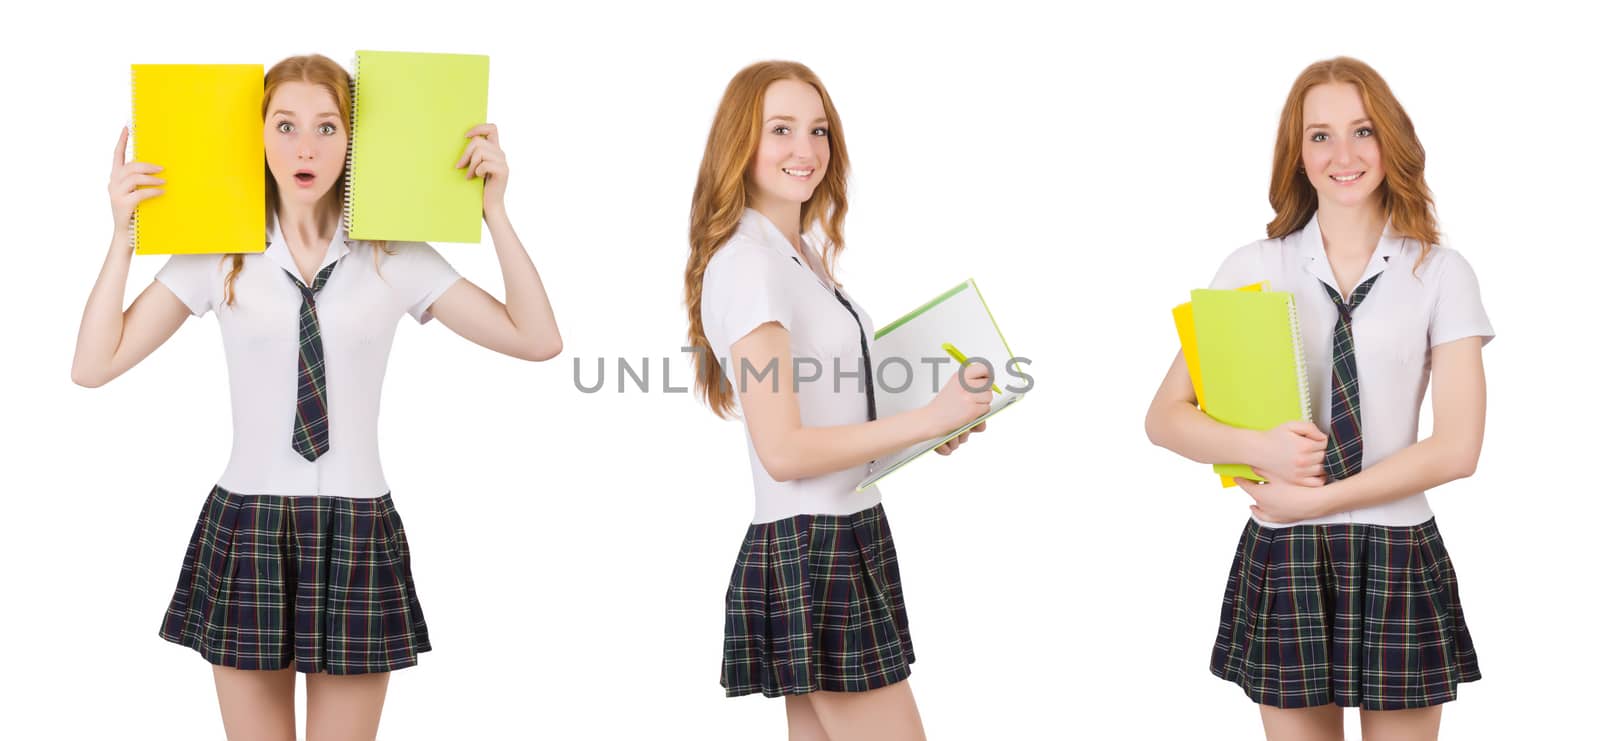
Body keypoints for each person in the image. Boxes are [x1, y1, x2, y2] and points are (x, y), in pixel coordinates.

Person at [73, 54, 561, 740]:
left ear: (355, 139)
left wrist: (495, 214)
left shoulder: (394, 255)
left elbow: (536, 337)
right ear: (259, 134)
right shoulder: (219, 253)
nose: (306, 147)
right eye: (287, 125)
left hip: (357, 526)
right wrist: (125, 238)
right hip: (248, 527)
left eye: (328, 127)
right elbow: (94, 364)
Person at [1145, 56, 1490, 741]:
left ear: (1392, 141)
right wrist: (1256, 448)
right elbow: (1163, 416)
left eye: (1363, 131)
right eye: (1320, 136)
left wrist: (1319, 498)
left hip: (1394, 546)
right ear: (1297, 155)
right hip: (1290, 552)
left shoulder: (1440, 272)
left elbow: (1458, 447)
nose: (1344, 154)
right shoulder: (1255, 266)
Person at [684, 60, 994, 741]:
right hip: (813, 541)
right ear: (741, 142)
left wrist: (928, 429)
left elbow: (832, 409)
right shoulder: (748, 263)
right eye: (782, 129)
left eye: (818, 130)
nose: (806, 149)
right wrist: (925, 417)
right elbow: (784, 449)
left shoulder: (802, 256)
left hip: (846, 529)